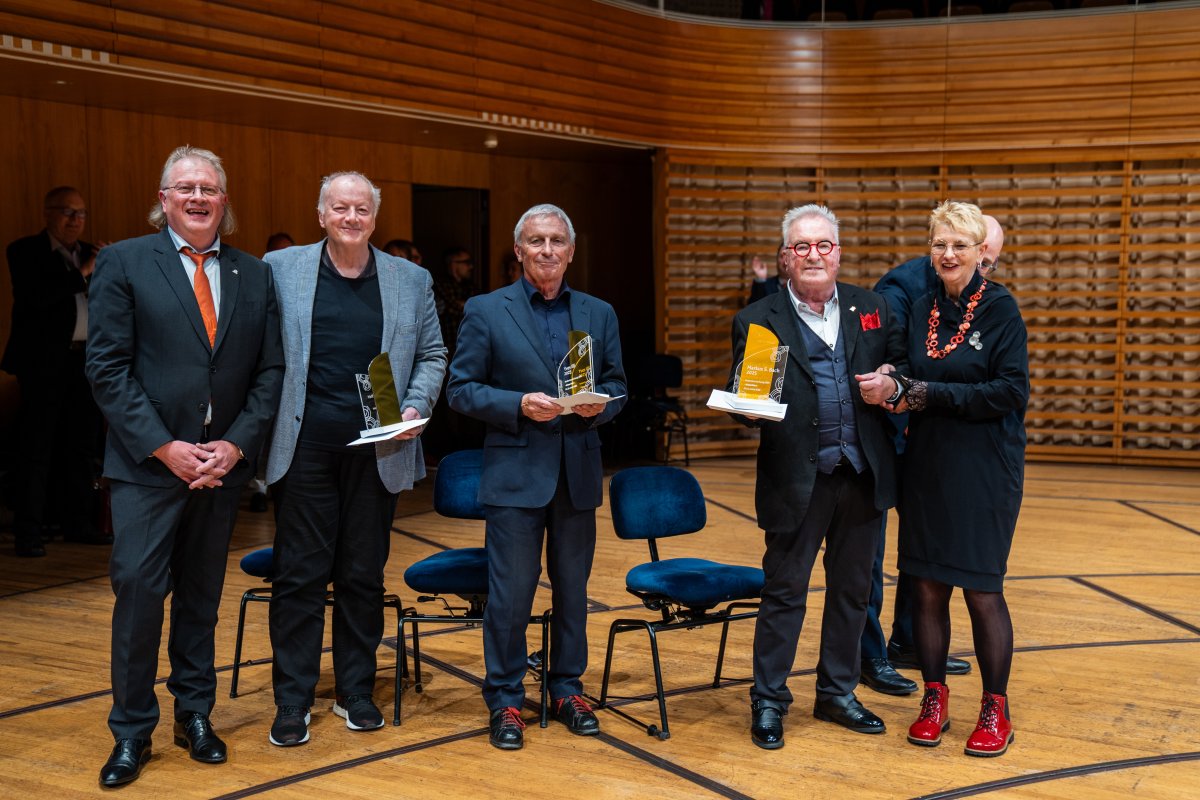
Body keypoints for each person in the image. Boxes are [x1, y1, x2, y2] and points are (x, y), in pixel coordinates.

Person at [86, 146, 284, 787]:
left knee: (201, 600)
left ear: (224, 203)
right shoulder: (122, 262)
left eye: (209, 189)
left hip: (219, 468)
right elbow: (107, 369)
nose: (198, 197)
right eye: (185, 187)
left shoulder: (254, 274)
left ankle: (194, 714)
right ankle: (131, 730)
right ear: (163, 198)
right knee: (140, 597)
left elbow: (270, 371)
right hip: (149, 467)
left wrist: (236, 444)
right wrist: (165, 447)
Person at [263, 171, 446, 747]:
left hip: (380, 447)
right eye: (339, 208)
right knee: (299, 578)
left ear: (374, 216)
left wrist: (415, 404)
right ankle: (293, 700)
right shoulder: (281, 269)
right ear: (321, 214)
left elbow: (434, 353)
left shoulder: (410, 279)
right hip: (305, 447)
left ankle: (356, 691)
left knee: (363, 576)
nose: (350, 217)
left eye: (361, 209)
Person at [446, 203, 626, 750]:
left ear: (570, 251)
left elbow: (617, 384)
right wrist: (518, 403)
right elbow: (460, 388)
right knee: (510, 595)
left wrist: (603, 406)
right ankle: (504, 698)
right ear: (519, 251)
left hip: (576, 474)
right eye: (535, 241)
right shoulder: (486, 309)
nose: (546, 250)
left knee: (573, 592)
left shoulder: (598, 312)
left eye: (556, 241)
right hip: (515, 476)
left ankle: (567, 687)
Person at [726, 204, 902, 750]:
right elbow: (745, 394)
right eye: (801, 247)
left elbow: (899, 364)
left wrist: (893, 378)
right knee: (784, 592)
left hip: (861, 475)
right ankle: (769, 700)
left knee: (853, 592)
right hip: (794, 481)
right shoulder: (759, 319)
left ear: (838, 253)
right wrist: (746, 408)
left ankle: (838, 693)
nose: (813, 255)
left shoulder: (870, 307)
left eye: (822, 245)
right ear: (785, 258)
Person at [860, 200, 1028, 757]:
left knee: (982, 591)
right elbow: (912, 373)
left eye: (960, 244)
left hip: (984, 469)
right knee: (927, 587)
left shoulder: (1002, 310)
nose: (948, 253)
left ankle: (994, 707)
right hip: (927, 464)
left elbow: (1010, 391)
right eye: (939, 244)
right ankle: (934, 698)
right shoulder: (926, 306)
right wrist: (893, 380)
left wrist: (927, 394)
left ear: (983, 252)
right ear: (929, 251)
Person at [3, 186, 110, 556]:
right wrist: (84, 272)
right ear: (48, 213)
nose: (75, 220)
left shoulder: (90, 253)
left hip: (85, 362)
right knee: (37, 448)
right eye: (67, 212)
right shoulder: (24, 251)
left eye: (80, 213)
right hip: (43, 365)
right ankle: (28, 532)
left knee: (81, 447)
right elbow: (38, 296)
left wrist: (103, 268)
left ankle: (78, 524)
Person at [434, 247, 476, 355]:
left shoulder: (470, 286)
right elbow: (454, 307)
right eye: (466, 262)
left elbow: (477, 309)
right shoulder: (439, 284)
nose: (471, 266)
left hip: (469, 346)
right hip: (446, 348)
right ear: (453, 264)